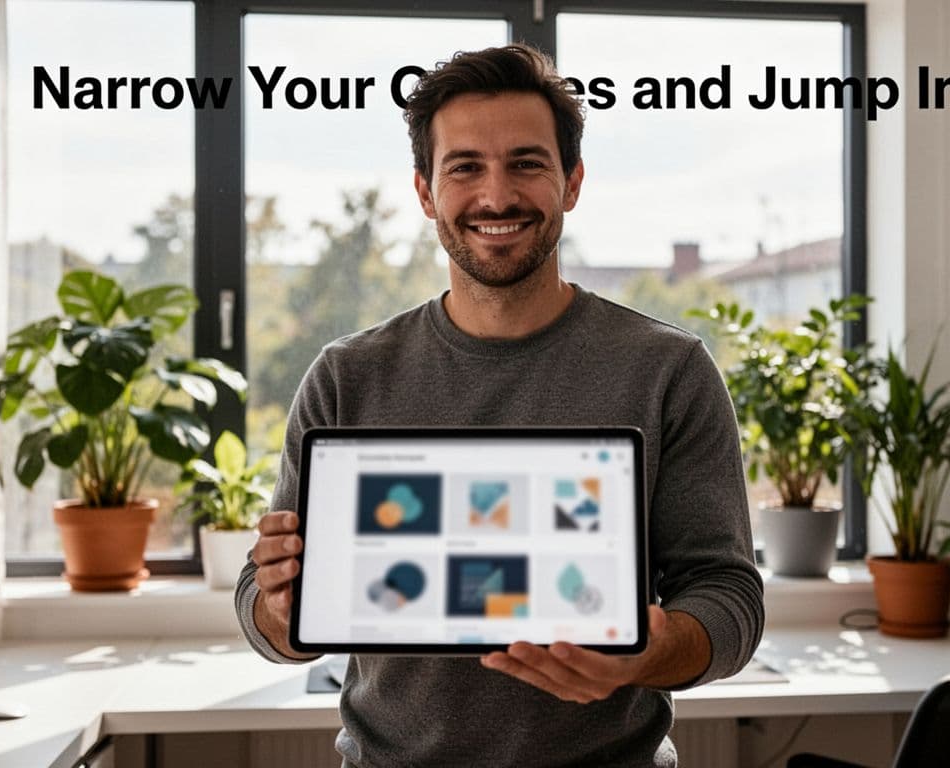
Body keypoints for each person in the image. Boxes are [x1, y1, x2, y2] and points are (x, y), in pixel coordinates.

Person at [235, 44, 763, 767]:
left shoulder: (668, 370)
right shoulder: (347, 375)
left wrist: (641, 653)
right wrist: (281, 604)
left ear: (571, 182)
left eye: (526, 163)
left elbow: (729, 595)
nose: (496, 195)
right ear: (425, 192)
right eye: (465, 168)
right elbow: (270, 617)